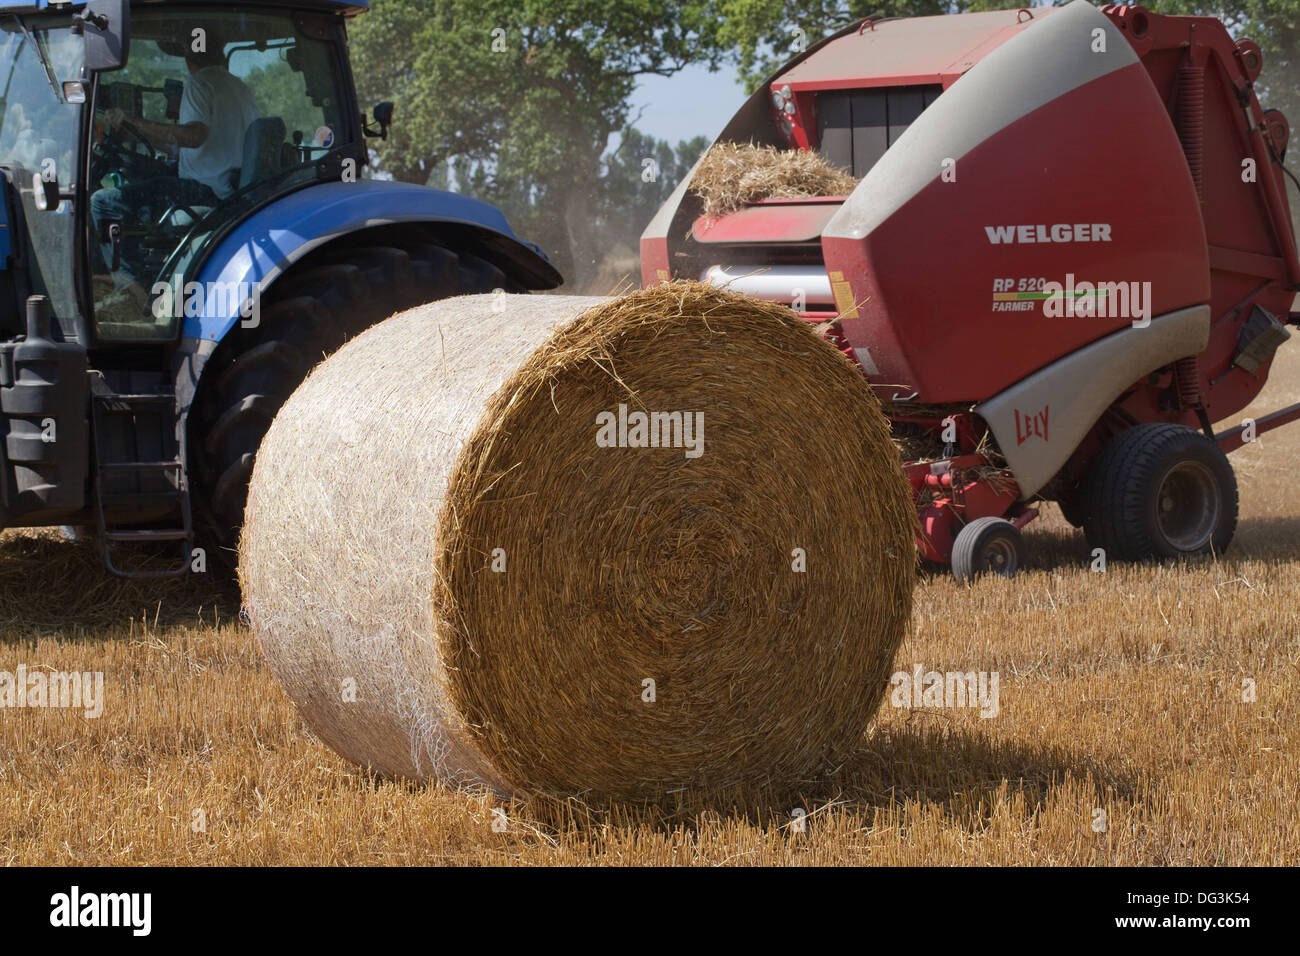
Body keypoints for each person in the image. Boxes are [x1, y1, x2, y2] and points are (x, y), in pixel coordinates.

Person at [91, 41, 261, 322]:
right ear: (223, 58)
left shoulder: (199, 82)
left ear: (188, 61)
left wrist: (129, 120)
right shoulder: (240, 87)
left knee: (104, 202)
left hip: (204, 192)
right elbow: (188, 146)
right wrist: (131, 132)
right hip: (232, 191)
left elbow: (194, 136)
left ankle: (135, 296)